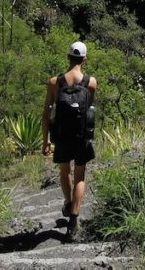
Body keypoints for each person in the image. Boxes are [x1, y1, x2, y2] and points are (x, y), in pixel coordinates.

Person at [43, 41, 97, 238]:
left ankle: (67, 202)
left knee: (65, 169)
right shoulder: (91, 82)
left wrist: (45, 140)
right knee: (80, 175)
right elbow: (89, 107)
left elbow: (46, 114)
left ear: (68, 57)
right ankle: (74, 220)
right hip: (82, 135)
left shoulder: (54, 82)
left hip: (62, 134)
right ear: (84, 59)